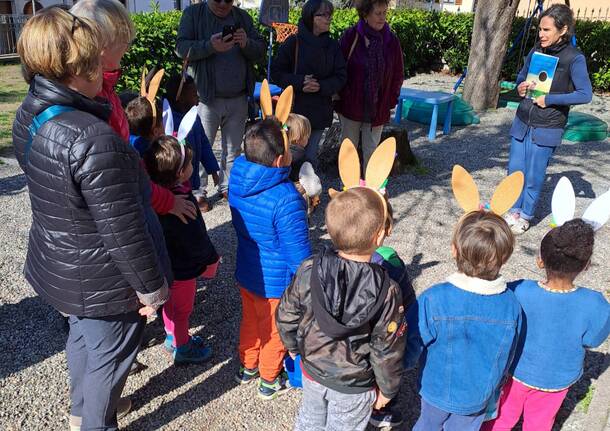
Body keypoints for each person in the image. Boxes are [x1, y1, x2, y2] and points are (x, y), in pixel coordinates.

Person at [12, 8, 168, 431]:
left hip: (60, 261)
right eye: (93, 66)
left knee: (82, 338)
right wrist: (152, 289)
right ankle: (94, 423)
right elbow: (123, 229)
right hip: (102, 277)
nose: (103, 72)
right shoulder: (93, 139)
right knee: (108, 359)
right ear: (73, 71)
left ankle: (79, 409)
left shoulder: (29, 111)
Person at [276, 187, 406, 431]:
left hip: (312, 367)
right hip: (354, 385)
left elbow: (286, 313)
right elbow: (387, 347)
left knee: (309, 420)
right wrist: (388, 389)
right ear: (379, 237)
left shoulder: (309, 268)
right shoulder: (388, 290)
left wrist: (293, 347)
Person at [71, 0, 197, 225]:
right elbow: (123, 173)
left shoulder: (104, 89)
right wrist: (166, 202)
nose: (128, 47)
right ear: (101, 46)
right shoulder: (93, 101)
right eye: (123, 41)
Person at [482, 219, 610, 431]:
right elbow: (593, 339)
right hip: (557, 380)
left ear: (540, 261)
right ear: (586, 265)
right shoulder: (597, 304)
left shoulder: (517, 290)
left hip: (514, 372)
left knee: (501, 418)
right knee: (539, 423)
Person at [405, 211, 521, 431]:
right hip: (477, 395)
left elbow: (412, 339)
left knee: (428, 424)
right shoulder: (511, 304)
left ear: (454, 250)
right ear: (504, 258)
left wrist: (399, 369)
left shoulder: (434, 298)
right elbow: (509, 352)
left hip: (435, 388)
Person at [229, 118, 311, 400]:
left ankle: (247, 365)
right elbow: (298, 254)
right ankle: (268, 378)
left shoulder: (238, 180)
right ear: (279, 160)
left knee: (251, 321)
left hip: (248, 270)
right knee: (276, 330)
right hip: (276, 282)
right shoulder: (286, 199)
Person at [505, 4, 592, 235]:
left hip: (548, 126)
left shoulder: (574, 58)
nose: (541, 34)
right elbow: (522, 76)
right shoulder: (536, 50)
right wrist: (521, 86)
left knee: (534, 174)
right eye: (539, 29)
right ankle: (513, 209)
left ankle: (525, 216)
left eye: (546, 30)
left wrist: (550, 99)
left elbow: (585, 94)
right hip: (523, 120)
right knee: (515, 170)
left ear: (562, 30)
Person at [176, 0, 266, 199]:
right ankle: (198, 191)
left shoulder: (242, 17)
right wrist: (210, 46)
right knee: (199, 148)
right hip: (205, 97)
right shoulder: (193, 14)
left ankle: (227, 187)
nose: (223, 4)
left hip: (238, 95)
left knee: (233, 149)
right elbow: (181, 48)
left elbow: (260, 50)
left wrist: (246, 43)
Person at [143, 136, 221, 365]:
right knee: (182, 310)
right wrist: (210, 259)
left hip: (164, 266)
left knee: (169, 305)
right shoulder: (183, 203)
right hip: (183, 269)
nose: (192, 168)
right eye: (189, 165)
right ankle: (182, 346)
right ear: (180, 173)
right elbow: (196, 238)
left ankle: (171, 336)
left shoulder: (156, 197)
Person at [271, 0, 346, 167]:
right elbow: (276, 73)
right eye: (323, 14)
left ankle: (307, 191)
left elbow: (341, 76)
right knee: (288, 158)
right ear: (310, 17)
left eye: (330, 14)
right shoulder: (293, 42)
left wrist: (321, 86)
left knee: (310, 159)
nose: (329, 18)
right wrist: (299, 82)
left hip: (320, 110)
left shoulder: (332, 46)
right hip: (295, 113)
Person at [335, 0, 403, 169]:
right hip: (351, 104)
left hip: (377, 106)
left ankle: (370, 192)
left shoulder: (391, 41)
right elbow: (338, 68)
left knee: (372, 151)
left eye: (384, 13)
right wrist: (341, 96)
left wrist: (391, 100)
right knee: (348, 149)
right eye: (377, 14)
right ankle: (349, 189)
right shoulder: (351, 36)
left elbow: (397, 73)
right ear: (365, 14)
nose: (382, 18)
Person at [369, 199, 416, 429]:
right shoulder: (391, 260)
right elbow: (408, 300)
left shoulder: (336, 260)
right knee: (387, 365)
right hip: (386, 331)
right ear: (387, 229)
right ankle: (383, 409)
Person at [165, 74, 220, 212]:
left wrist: (213, 169)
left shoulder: (193, 116)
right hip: (174, 178)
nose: (197, 99)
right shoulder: (167, 120)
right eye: (194, 94)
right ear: (180, 97)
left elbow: (204, 143)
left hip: (190, 174)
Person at [285, 113, 312, 182]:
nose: (308, 138)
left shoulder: (275, 151)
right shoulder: (302, 159)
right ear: (299, 138)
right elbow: (313, 187)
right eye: (307, 136)